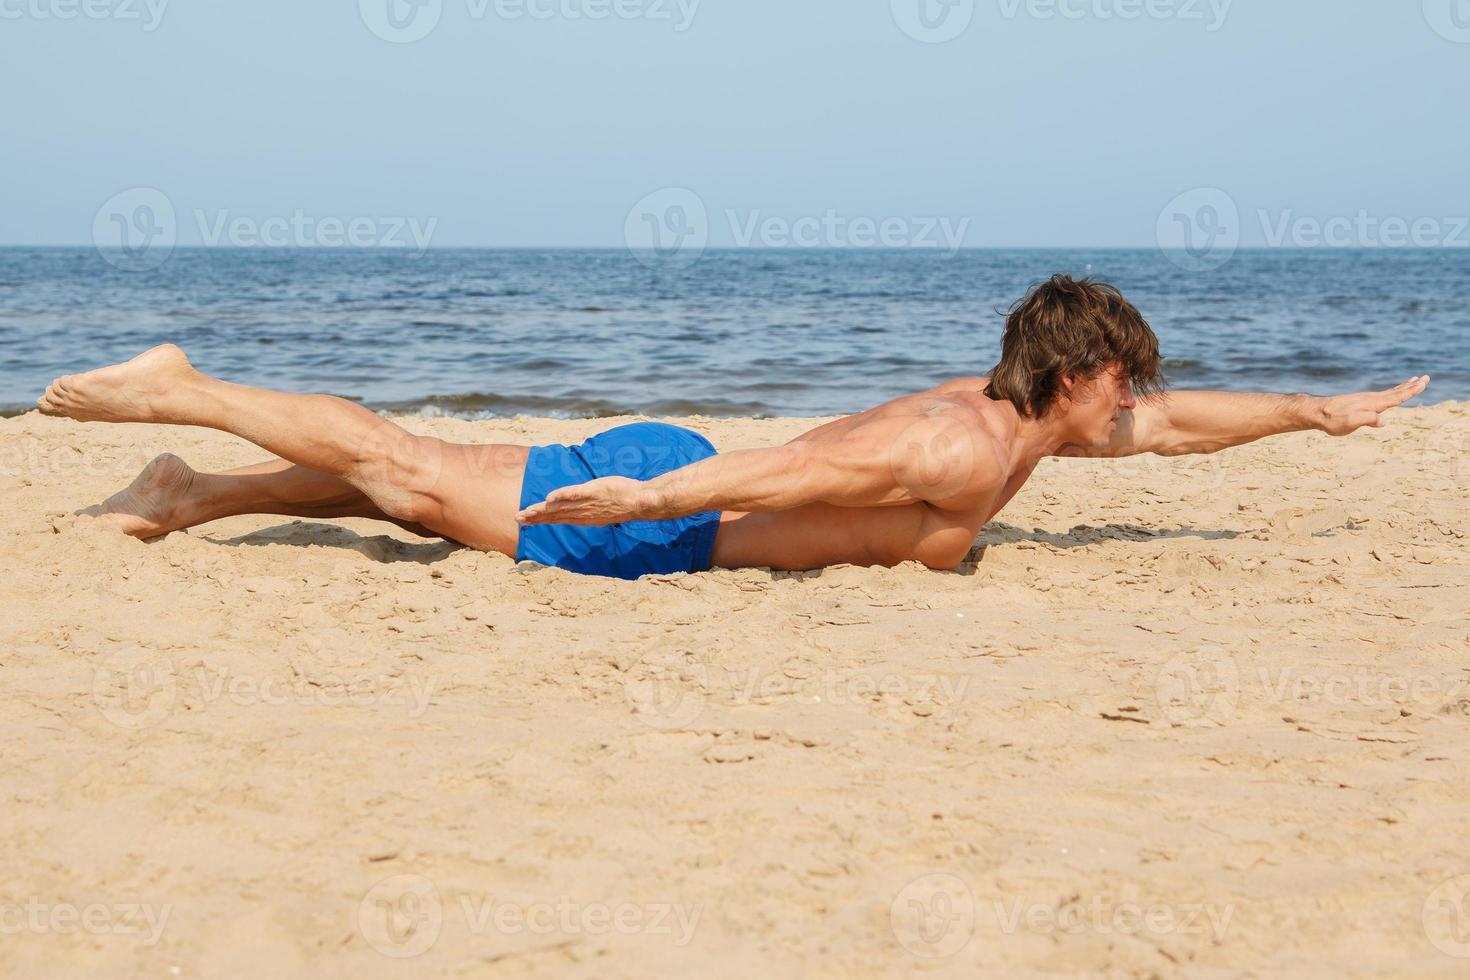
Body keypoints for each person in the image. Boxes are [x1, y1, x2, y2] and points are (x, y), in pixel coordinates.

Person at [38, 275, 1430, 580]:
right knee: (411, 469)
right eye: (1119, 376)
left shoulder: (1034, 431)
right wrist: (640, 506)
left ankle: (188, 490)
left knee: (423, 497)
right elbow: (798, 467)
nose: (1135, 397)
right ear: (1070, 373)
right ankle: (183, 385)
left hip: (680, 502)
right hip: (677, 509)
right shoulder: (954, 445)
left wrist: (1318, 412)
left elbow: (1180, 432)